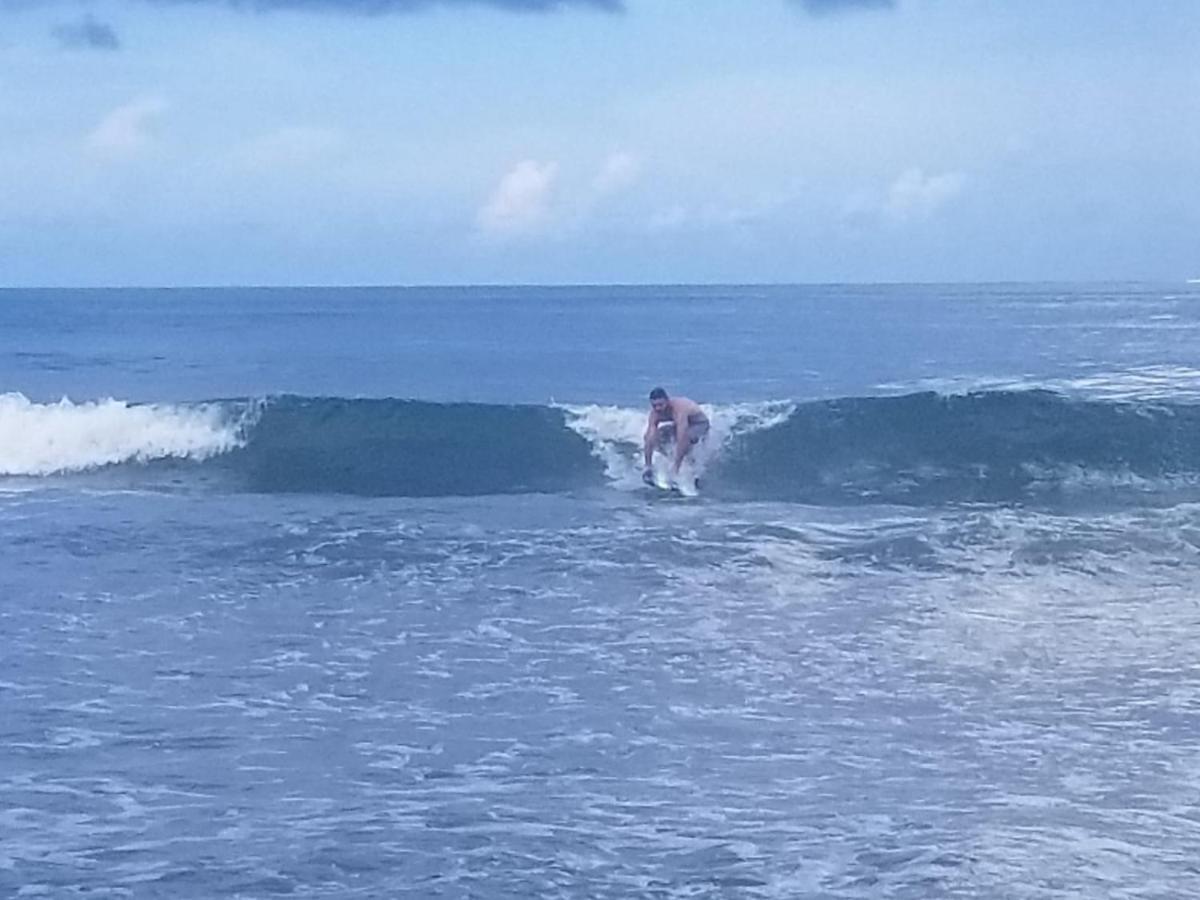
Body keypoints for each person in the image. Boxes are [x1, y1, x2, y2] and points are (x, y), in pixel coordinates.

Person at [642, 386, 710, 485]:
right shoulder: (655, 413)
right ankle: (667, 461)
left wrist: (676, 467)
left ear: (667, 401)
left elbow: (682, 436)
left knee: (686, 438)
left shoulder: (679, 409)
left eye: (660, 405)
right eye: (654, 405)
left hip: (699, 424)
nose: (658, 408)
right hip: (677, 425)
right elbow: (649, 438)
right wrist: (648, 466)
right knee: (651, 437)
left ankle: (691, 471)